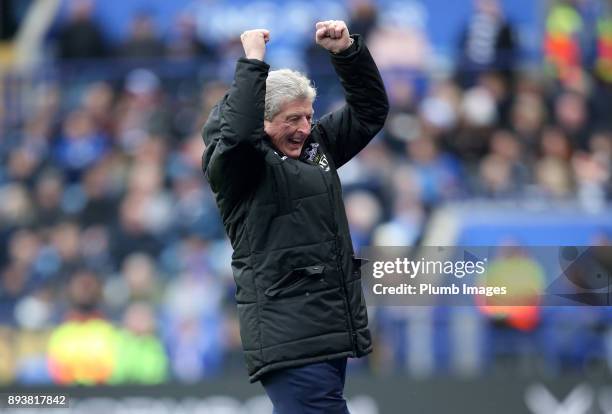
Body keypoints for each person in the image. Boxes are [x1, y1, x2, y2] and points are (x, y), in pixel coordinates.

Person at [201, 20, 388, 413]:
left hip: (325, 330)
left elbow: (369, 111)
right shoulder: (239, 167)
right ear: (262, 121)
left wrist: (346, 53)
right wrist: (252, 63)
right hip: (289, 335)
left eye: (308, 116)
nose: (305, 128)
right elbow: (237, 138)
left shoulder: (316, 149)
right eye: (293, 119)